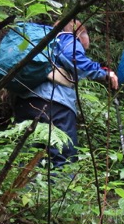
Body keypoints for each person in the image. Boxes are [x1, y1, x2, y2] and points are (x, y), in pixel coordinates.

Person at [11, 20, 118, 168]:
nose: (83, 48)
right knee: (62, 156)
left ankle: (24, 190)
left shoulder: (42, 42)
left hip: (25, 101)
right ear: (80, 34)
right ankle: (61, 186)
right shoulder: (66, 38)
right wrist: (104, 73)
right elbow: (75, 60)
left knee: (27, 155)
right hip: (55, 105)